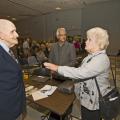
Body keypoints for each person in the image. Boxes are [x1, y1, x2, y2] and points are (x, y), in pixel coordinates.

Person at [44, 27, 112, 120]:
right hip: (86, 100)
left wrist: (57, 68)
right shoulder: (90, 56)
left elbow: (80, 72)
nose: (85, 41)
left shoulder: (101, 59)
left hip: (93, 102)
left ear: (98, 42)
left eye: (89, 39)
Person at [0, 19, 26, 120]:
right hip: (6, 111)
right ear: (1, 35)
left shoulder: (9, 50)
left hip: (16, 106)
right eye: (12, 31)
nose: (17, 34)